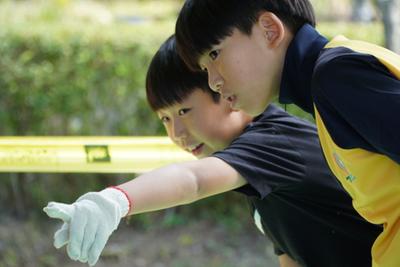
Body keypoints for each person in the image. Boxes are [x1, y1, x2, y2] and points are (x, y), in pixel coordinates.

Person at [43, 36, 382, 267]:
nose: (176, 132)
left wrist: (116, 200)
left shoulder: (274, 142)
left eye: (184, 111)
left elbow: (192, 180)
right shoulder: (255, 164)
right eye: (164, 118)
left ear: (225, 90)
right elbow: (292, 253)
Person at [175, 1, 400, 266]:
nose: (213, 81)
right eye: (204, 69)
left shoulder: (335, 76)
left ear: (269, 30)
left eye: (214, 54)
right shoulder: (332, 78)